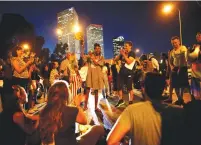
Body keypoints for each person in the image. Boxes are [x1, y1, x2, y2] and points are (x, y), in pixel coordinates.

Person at [107, 72, 187, 145]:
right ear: (163, 89)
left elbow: (111, 142)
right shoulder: (177, 111)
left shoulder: (132, 111)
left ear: (143, 88)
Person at [39, 80, 105, 145]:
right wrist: (77, 104)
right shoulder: (72, 110)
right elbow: (85, 121)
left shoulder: (43, 111)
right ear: (65, 95)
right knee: (98, 129)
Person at [169, 36, 189, 105]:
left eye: (175, 42)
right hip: (175, 68)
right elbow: (170, 61)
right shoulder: (172, 51)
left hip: (183, 68)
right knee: (175, 85)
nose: (174, 44)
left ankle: (181, 99)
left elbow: (185, 56)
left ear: (179, 42)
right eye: (173, 43)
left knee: (182, 85)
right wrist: (172, 67)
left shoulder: (183, 48)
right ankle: (179, 99)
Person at [114, 41, 135, 106]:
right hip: (122, 72)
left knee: (129, 88)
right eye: (124, 46)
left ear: (130, 46)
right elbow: (116, 60)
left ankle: (130, 102)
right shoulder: (123, 53)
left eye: (126, 46)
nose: (125, 47)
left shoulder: (132, 53)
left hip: (129, 72)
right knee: (119, 86)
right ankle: (121, 100)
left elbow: (129, 62)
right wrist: (120, 54)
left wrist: (123, 55)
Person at [85, 43, 104, 112]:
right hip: (90, 74)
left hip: (97, 76)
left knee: (96, 91)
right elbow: (83, 56)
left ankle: (96, 107)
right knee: (87, 90)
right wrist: (82, 46)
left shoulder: (101, 57)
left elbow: (96, 63)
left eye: (99, 48)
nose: (97, 50)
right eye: (96, 48)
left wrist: (92, 58)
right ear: (94, 49)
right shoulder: (90, 56)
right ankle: (85, 106)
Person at [188, 31, 201, 100]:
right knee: (195, 86)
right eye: (197, 36)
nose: (198, 37)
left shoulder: (197, 46)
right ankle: (196, 100)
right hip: (195, 69)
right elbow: (191, 57)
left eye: (199, 36)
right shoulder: (195, 46)